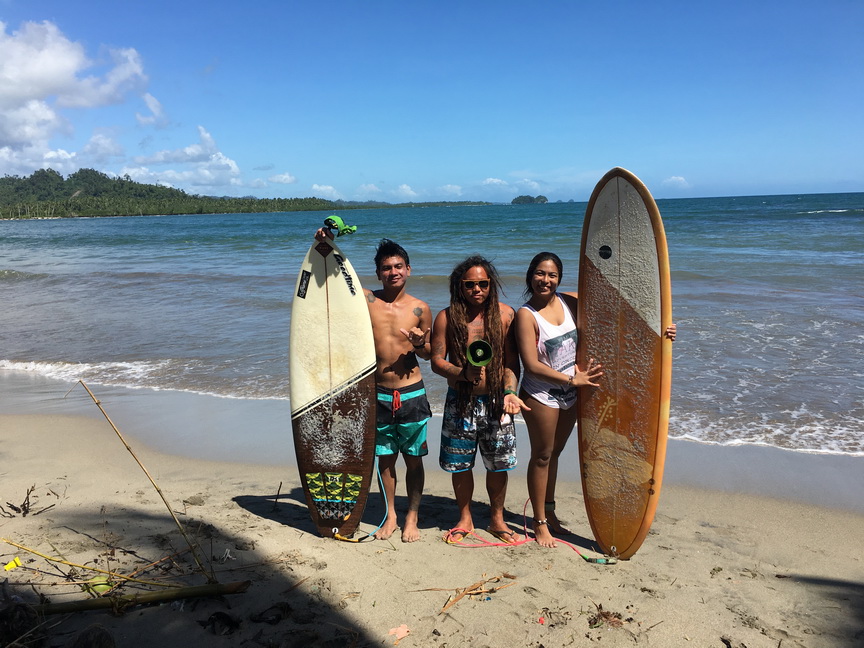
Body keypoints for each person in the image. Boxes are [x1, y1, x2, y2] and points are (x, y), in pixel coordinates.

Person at [514, 252, 676, 548]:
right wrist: (570, 380)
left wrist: (662, 329)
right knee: (542, 455)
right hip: (541, 394)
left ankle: (550, 513)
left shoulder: (570, 301)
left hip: (573, 391)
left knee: (556, 454)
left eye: (551, 275)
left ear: (559, 278)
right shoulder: (527, 315)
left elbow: (618, 315)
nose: (545, 280)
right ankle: (539, 523)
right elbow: (531, 363)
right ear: (530, 276)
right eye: (539, 273)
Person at [315, 229, 432, 542]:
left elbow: (432, 354)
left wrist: (421, 345)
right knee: (385, 457)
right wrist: (325, 244)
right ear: (378, 272)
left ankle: (412, 516)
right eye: (386, 267)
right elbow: (334, 281)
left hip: (412, 393)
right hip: (377, 392)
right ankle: (391, 514)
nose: (392, 272)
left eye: (398, 266)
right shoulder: (366, 300)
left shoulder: (420, 308)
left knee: (414, 459)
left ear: (408, 269)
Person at [430, 255, 529, 544]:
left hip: (498, 403)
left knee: (498, 464)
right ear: (459, 286)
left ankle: (497, 520)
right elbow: (436, 361)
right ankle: (465, 518)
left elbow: (512, 363)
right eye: (469, 284)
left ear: (491, 284)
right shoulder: (447, 317)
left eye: (482, 283)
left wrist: (511, 393)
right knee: (460, 464)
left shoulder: (506, 315)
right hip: (461, 402)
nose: (477, 289)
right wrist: (462, 373)